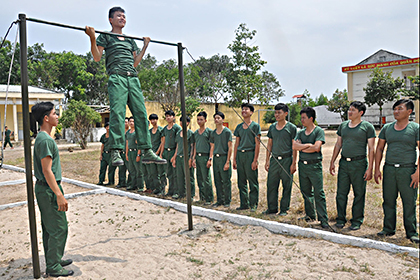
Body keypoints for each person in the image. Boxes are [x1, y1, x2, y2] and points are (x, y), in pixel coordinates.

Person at [85, 6, 165, 166]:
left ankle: (147, 150)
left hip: (132, 78)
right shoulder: (106, 36)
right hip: (117, 77)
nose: (122, 18)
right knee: (118, 113)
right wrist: (92, 38)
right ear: (110, 20)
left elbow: (135, 63)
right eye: (119, 16)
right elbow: (97, 57)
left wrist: (145, 47)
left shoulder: (129, 40)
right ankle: (115, 151)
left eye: (124, 16)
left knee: (141, 114)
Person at [31, 102, 73, 277]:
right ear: (46, 118)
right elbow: (47, 170)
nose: (57, 116)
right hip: (49, 189)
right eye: (55, 114)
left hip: (45, 188)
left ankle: (53, 259)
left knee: (50, 228)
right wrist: (59, 194)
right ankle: (53, 266)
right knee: (59, 228)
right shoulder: (46, 140)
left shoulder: (42, 138)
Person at [374, 99, 419, 243]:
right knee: (388, 200)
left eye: (400, 109)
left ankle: (411, 232)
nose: (396, 111)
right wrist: (377, 169)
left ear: (409, 112)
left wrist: (418, 172)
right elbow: (379, 148)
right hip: (390, 169)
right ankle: (388, 229)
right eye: (395, 109)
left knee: (409, 202)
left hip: (408, 170)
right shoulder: (387, 128)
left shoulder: (415, 128)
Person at [329, 101, 375, 230]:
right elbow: (338, 144)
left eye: (353, 110)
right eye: (349, 109)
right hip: (344, 163)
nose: (350, 112)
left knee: (359, 193)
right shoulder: (343, 126)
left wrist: (370, 168)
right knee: (341, 193)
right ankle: (340, 219)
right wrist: (332, 161)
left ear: (360, 113)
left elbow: (372, 149)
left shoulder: (367, 127)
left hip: (359, 164)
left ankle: (356, 220)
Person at [293, 107, 329, 229]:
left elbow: (316, 148)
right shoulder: (300, 133)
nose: (301, 120)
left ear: (311, 118)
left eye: (304, 118)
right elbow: (294, 146)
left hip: (314, 165)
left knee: (318, 192)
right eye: (301, 117)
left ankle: (323, 218)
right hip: (302, 165)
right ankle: (310, 215)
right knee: (306, 191)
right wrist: (308, 145)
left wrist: (302, 146)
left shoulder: (318, 131)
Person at [264, 103, 297, 216]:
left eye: (279, 112)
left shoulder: (291, 128)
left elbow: (294, 146)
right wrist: (267, 160)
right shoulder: (272, 127)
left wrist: (294, 163)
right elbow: (269, 144)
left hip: (287, 160)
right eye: (275, 112)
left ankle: (284, 209)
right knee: (271, 185)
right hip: (274, 160)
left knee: (286, 185)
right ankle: (272, 208)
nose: (277, 115)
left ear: (286, 113)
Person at [233, 103, 261, 211]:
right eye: (242, 109)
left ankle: (253, 204)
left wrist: (255, 160)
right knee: (241, 181)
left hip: (250, 154)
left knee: (252, 181)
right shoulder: (239, 127)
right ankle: (244, 203)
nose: (244, 111)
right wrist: (234, 159)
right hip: (241, 155)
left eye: (246, 109)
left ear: (251, 112)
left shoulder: (255, 126)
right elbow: (236, 144)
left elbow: (257, 144)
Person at [209, 112, 232, 208]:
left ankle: (227, 200)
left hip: (224, 157)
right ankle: (219, 200)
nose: (216, 120)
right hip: (216, 159)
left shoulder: (227, 132)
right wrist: (210, 158)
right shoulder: (213, 133)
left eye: (218, 118)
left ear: (223, 119)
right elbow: (212, 146)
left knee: (226, 181)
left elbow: (230, 147)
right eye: (215, 118)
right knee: (217, 180)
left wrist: (227, 162)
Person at [171, 116, 195, 199]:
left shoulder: (190, 133)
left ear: (188, 123)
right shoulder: (178, 133)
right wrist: (174, 158)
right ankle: (181, 193)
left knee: (189, 177)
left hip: (187, 157)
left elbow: (192, 147)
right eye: (181, 121)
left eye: (184, 121)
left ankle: (191, 195)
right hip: (179, 157)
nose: (182, 123)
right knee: (179, 176)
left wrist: (191, 158)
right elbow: (177, 146)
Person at [192, 111, 213, 204]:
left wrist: (210, 158)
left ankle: (209, 198)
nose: (199, 121)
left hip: (205, 157)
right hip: (198, 157)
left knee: (206, 178)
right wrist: (193, 158)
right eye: (198, 119)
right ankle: (202, 197)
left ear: (205, 120)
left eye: (201, 119)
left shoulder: (209, 132)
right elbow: (195, 146)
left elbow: (212, 146)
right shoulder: (196, 133)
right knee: (199, 178)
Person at [159, 110, 181, 196]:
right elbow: (163, 142)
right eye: (166, 116)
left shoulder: (177, 128)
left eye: (170, 116)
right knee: (168, 173)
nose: (168, 118)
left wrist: (175, 156)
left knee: (175, 173)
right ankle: (170, 191)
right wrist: (161, 154)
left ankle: (176, 192)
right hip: (165, 152)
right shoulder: (164, 129)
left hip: (173, 151)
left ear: (173, 117)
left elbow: (178, 143)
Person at [147, 114, 165, 194]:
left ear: (157, 120)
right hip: (151, 154)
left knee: (161, 172)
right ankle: (157, 188)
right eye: (151, 120)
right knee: (153, 173)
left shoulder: (161, 130)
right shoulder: (150, 131)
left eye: (154, 119)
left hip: (158, 154)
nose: (152, 121)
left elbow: (162, 142)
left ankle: (163, 189)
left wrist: (158, 152)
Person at [125, 117, 145, 191]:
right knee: (132, 170)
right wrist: (126, 154)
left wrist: (138, 154)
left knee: (139, 170)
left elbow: (139, 144)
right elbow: (127, 143)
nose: (131, 123)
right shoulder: (128, 132)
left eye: (133, 121)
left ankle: (141, 186)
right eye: (130, 121)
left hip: (136, 152)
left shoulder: (137, 132)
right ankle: (133, 185)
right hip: (130, 152)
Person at [116, 117, 130, 188]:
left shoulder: (131, 132)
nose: (125, 124)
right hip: (121, 153)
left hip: (128, 153)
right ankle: (121, 183)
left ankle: (130, 183)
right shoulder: (120, 132)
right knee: (121, 169)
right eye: (123, 122)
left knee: (130, 169)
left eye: (126, 122)